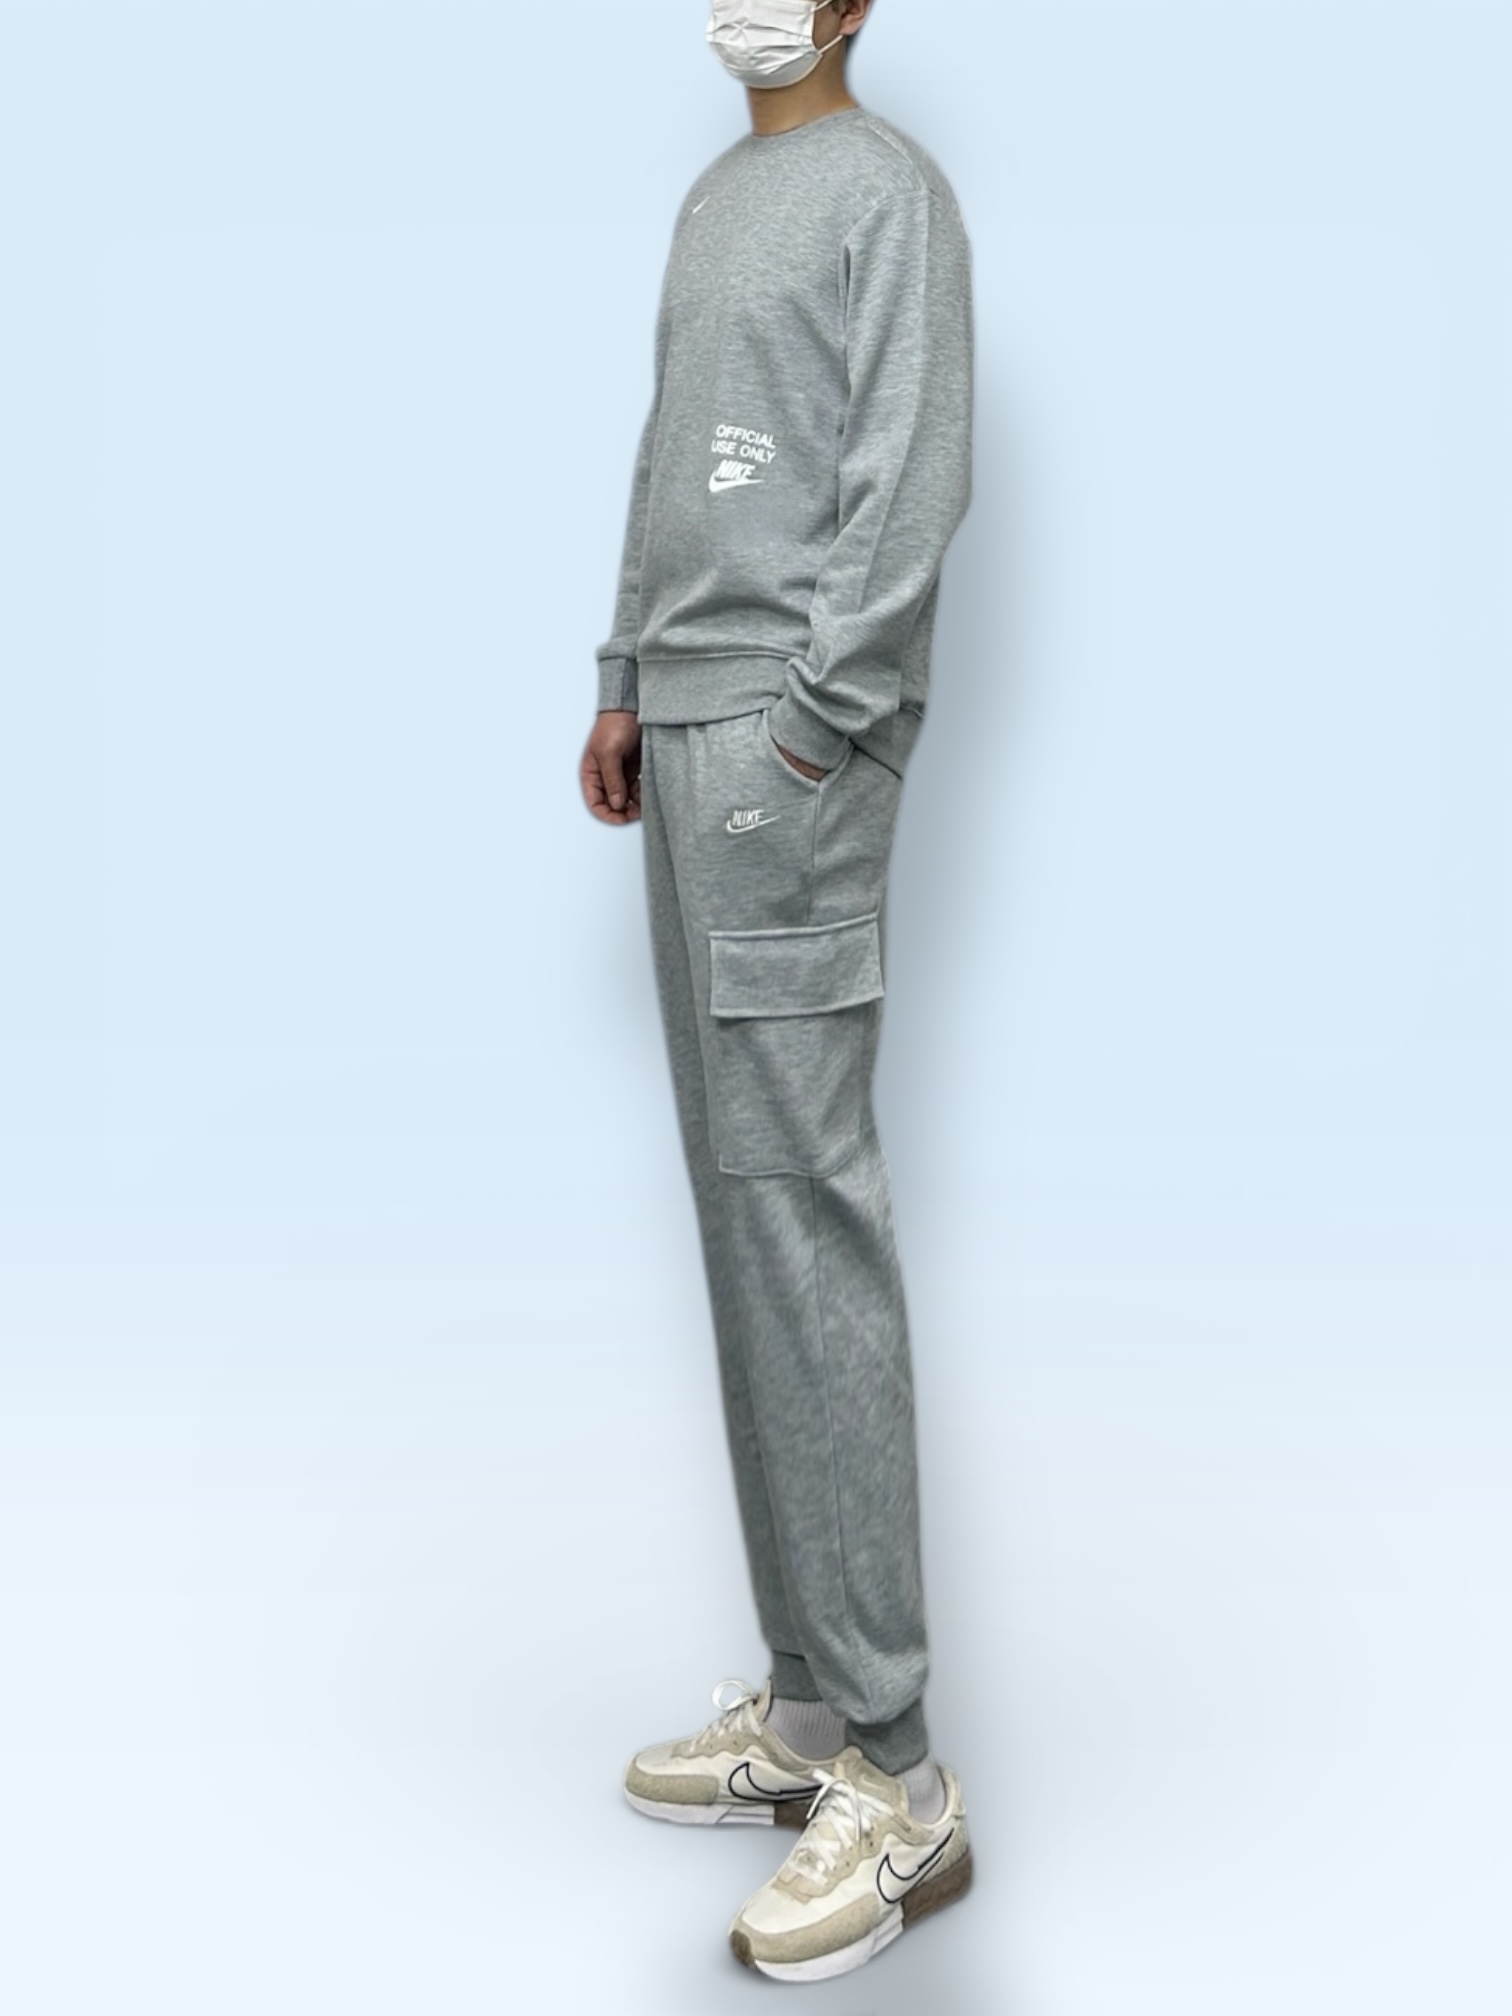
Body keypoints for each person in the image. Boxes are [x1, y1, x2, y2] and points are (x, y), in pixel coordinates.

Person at [578, 0, 974, 1983]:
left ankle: (901, 1782)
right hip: (690, 729)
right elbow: (675, 455)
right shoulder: (715, 199)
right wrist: (622, 679)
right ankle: (812, 1711)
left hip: (788, 753)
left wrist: (815, 721)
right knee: (746, 1212)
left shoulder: (887, 192)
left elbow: (909, 477)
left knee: (802, 1212)